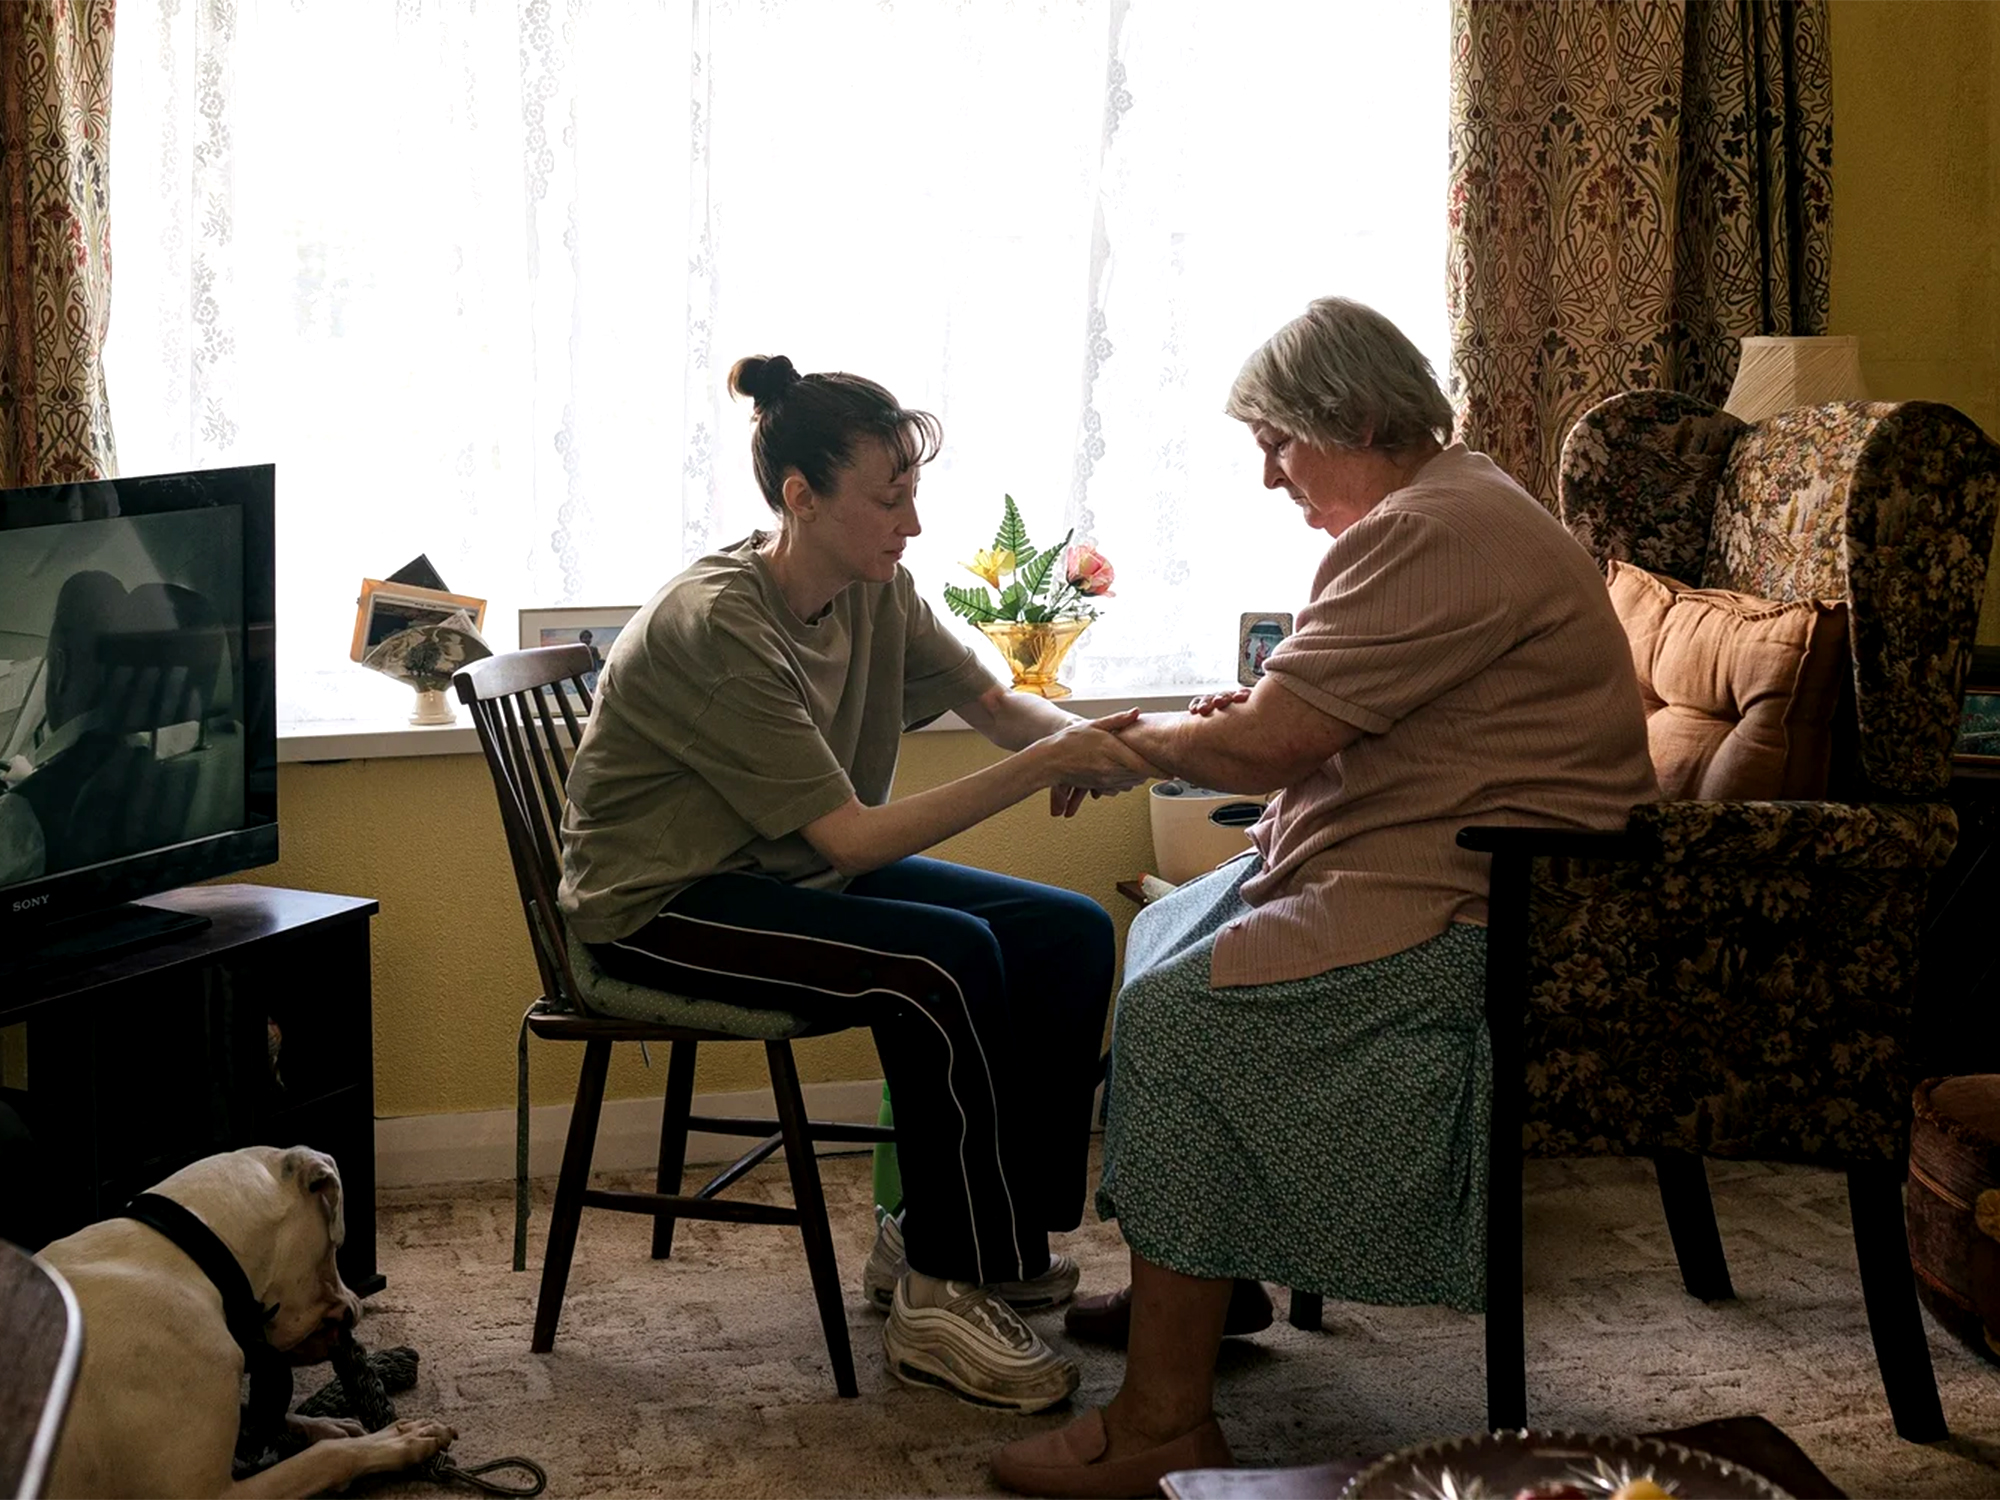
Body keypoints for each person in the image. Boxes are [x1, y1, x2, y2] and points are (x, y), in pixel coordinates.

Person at [991, 298, 1659, 1497]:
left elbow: (1270, 744)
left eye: (1275, 442)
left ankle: (1162, 1425)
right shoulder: (1447, 510)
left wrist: (1130, 748)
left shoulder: (1434, 531)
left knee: (1184, 1016)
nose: (1264, 476)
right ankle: (1205, 1271)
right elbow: (1314, 720)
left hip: (1467, 915)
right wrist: (1235, 731)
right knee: (1157, 931)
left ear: (1351, 417)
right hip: (1419, 867)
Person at [557, 353, 1160, 1414]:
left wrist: (1105, 749)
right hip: (656, 908)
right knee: (943, 961)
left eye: (912, 495)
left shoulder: (873, 593)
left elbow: (998, 705)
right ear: (800, 496)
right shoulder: (719, 626)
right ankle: (938, 1290)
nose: (912, 524)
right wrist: (1041, 770)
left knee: (1064, 932)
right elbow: (850, 840)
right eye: (889, 499)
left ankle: (979, 1241)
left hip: (779, 876)